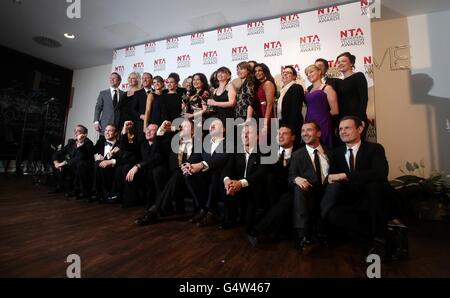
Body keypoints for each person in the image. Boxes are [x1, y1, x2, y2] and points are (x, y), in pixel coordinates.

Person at [321, 116, 393, 259]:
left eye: (347, 128)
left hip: (374, 199)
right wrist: (331, 178)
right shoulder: (335, 153)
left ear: (360, 129)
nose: (343, 132)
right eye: (340, 129)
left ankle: (379, 241)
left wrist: (345, 175)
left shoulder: (374, 148)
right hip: (351, 201)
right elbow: (332, 177)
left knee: (373, 186)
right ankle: (380, 237)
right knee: (332, 214)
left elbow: (380, 173)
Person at [135, 119, 201, 225]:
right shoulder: (174, 141)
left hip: (192, 174)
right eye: (181, 127)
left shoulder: (198, 142)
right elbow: (159, 149)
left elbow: (197, 156)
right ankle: (157, 210)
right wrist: (160, 131)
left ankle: (154, 211)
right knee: (168, 174)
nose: (182, 129)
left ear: (193, 130)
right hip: (175, 175)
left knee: (178, 174)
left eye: (186, 127)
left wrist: (188, 165)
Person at [246, 125, 296, 247]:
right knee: (268, 180)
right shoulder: (269, 151)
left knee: (287, 198)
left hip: (292, 189)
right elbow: (261, 172)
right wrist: (243, 182)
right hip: (271, 190)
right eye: (278, 133)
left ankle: (257, 230)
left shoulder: (300, 152)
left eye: (285, 133)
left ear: (293, 137)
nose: (280, 135)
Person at [289, 121, 332, 251]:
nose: (305, 133)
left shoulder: (330, 152)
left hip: (329, 192)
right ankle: (303, 237)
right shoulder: (297, 155)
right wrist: (296, 179)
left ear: (318, 133)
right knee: (299, 188)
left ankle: (323, 231)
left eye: (309, 130)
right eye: (303, 131)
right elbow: (290, 177)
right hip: (309, 192)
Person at [183, 119, 229, 227]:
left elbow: (221, 159)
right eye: (210, 125)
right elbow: (196, 155)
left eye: (215, 125)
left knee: (214, 174)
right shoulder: (205, 142)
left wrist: (201, 165)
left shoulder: (229, 143)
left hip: (219, 177)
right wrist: (188, 164)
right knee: (188, 175)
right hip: (205, 176)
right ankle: (203, 208)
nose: (211, 127)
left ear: (223, 129)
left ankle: (212, 212)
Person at [221, 123, 266, 230]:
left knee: (248, 226)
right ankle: (230, 219)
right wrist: (227, 181)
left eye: (249, 133)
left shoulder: (264, 151)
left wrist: (241, 183)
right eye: (243, 133)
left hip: (254, 186)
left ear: (257, 136)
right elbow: (227, 168)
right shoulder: (236, 150)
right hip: (237, 186)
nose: (245, 136)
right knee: (223, 181)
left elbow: (261, 173)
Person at [123, 123, 170, 209]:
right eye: (147, 129)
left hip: (158, 171)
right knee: (127, 168)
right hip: (145, 172)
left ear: (158, 132)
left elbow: (156, 158)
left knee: (156, 171)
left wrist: (138, 166)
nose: (148, 132)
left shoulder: (163, 143)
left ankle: (159, 205)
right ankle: (132, 200)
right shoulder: (143, 144)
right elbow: (128, 147)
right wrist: (125, 131)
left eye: (152, 130)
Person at [51, 125, 94, 199]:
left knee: (80, 164)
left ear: (85, 134)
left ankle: (80, 191)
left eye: (78, 131)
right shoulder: (71, 142)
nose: (75, 132)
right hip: (72, 164)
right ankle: (59, 186)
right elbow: (58, 153)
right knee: (57, 161)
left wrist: (64, 163)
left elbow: (80, 157)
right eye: (75, 130)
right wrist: (56, 163)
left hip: (84, 167)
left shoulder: (89, 143)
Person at [335, 52, 369, 139]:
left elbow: (364, 98)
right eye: (338, 62)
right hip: (343, 121)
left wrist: (360, 119)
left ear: (351, 63)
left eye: (343, 61)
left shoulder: (358, 76)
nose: (340, 64)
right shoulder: (338, 82)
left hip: (357, 119)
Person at [304, 64, 339, 147]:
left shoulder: (327, 88)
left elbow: (335, 111)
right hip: (308, 122)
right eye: (307, 74)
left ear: (319, 71)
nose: (309, 75)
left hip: (323, 123)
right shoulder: (308, 90)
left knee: (323, 147)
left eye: (311, 71)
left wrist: (323, 117)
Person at [91, 124, 120, 202]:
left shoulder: (120, 144)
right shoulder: (100, 142)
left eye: (110, 130)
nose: (107, 132)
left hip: (113, 168)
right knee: (97, 164)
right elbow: (91, 151)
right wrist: (96, 156)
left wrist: (108, 160)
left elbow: (120, 159)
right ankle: (101, 193)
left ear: (116, 133)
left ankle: (98, 193)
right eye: (106, 130)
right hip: (99, 167)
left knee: (98, 165)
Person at [277, 65, 305, 141]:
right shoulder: (282, 90)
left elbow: (295, 110)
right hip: (282, 123)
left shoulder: (296, 87)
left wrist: (291, 129)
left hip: (292, 126)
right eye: (284, 72)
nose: (285, 74)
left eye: (288, 72)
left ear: (294, 76)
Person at [249, 63, 276, 140]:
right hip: (261, 116)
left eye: (260, 70)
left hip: (267, 117)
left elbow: (270, 104)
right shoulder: (260, 85)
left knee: (268, 142)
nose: (257, 73)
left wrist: (265, 124)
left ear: (265, 72)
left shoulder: (268, 83)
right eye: (255, 71)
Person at [132, 72, 153, 141]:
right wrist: (141, 116)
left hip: (153, 125)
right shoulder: (137, 93)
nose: (144, 80)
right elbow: (132, 110)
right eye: (143, 78)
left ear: (152, 80)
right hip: (140, 126)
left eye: (147, 78)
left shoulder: (156, 92)